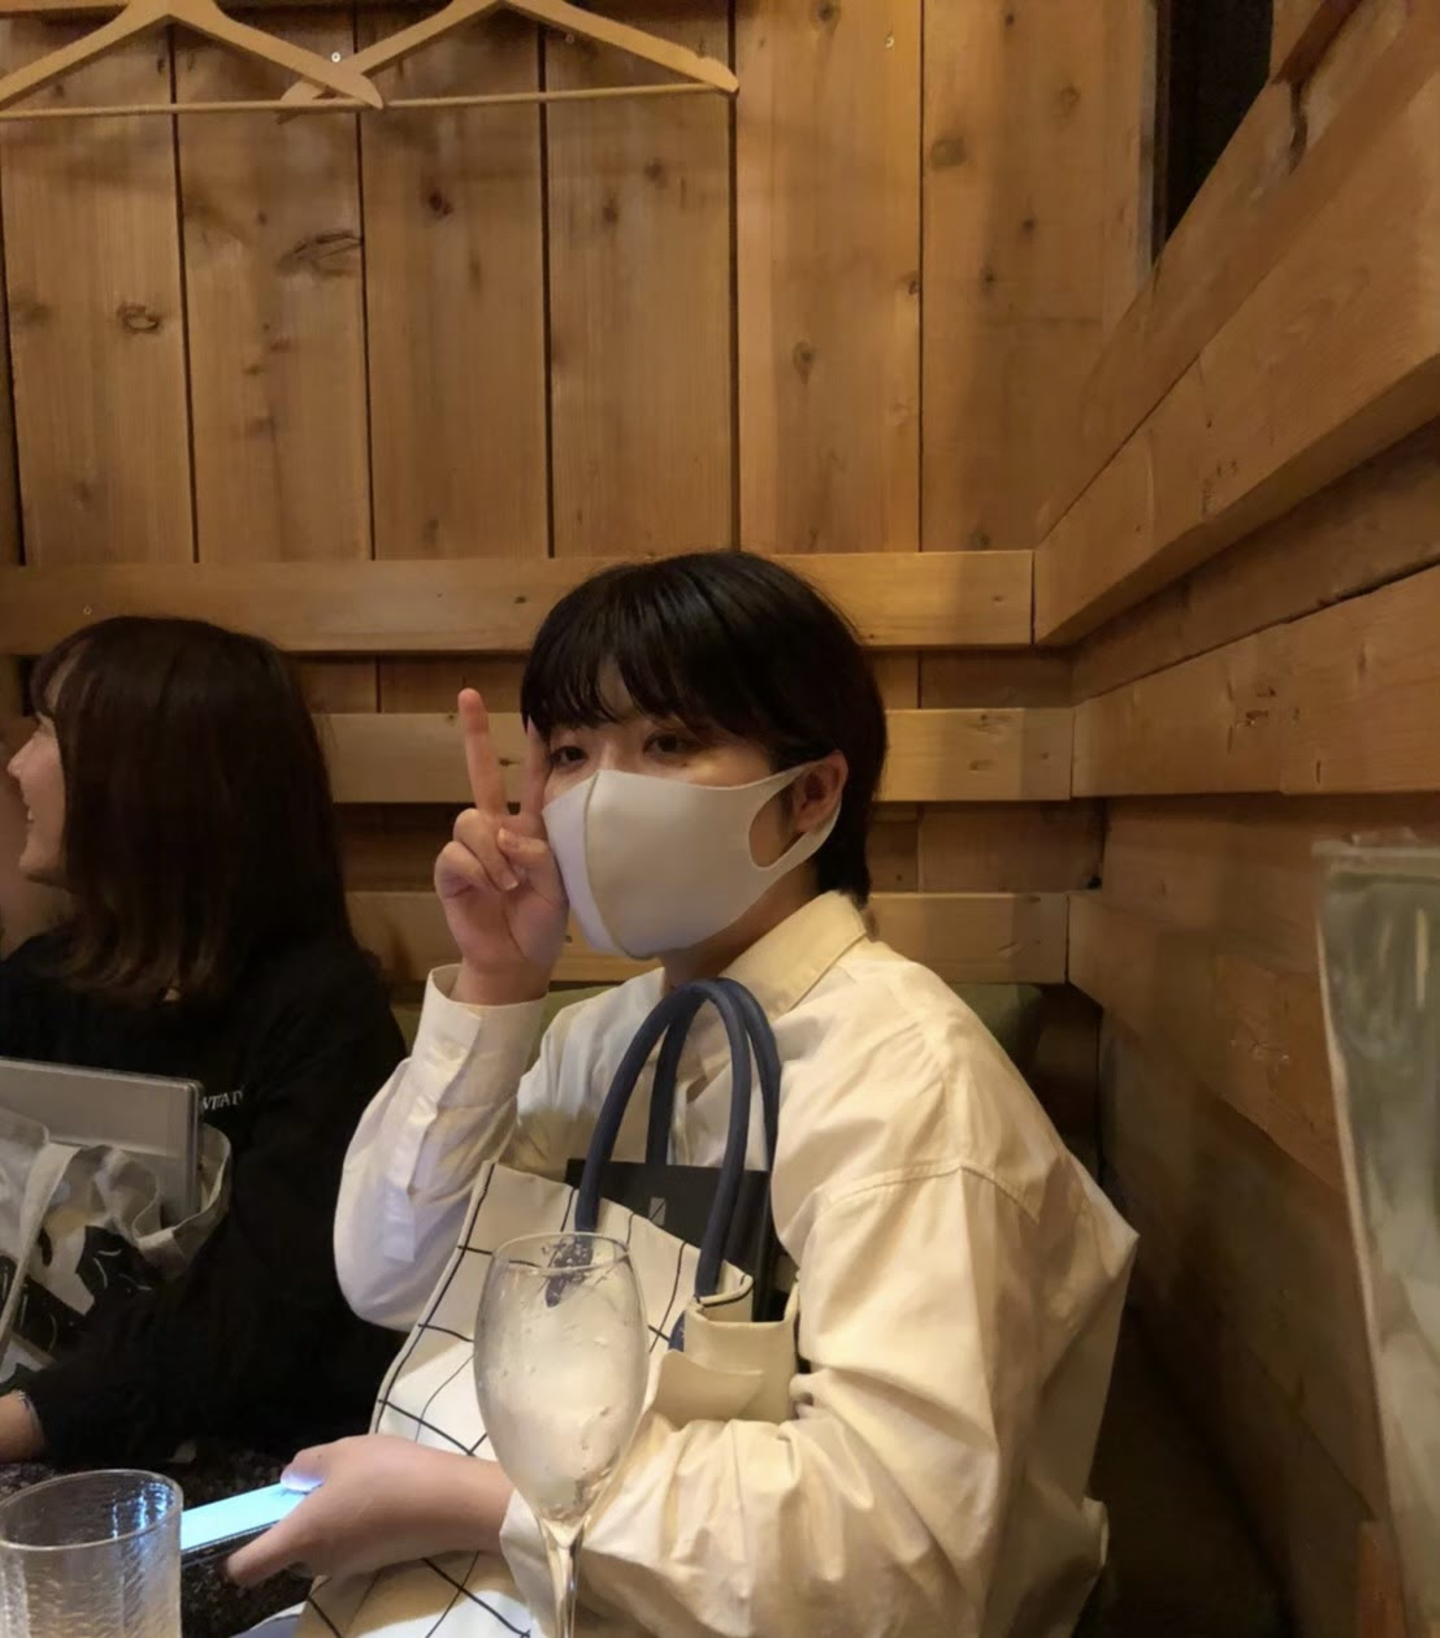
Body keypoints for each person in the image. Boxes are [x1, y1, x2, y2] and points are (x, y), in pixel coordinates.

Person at [230, 553, 1136, 1637]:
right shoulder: (595, 1042)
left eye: (668, 742)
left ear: (809, 795)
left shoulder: (909, 1084)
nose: (603, 796)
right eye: (573, 753)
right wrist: (495, 984)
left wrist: (487, 1504)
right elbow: (391, 1273)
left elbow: (902, 1560)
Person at [0, 617, 404, 1469]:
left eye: (47, 733)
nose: (18, 766)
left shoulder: (323, 1011)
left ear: (144, 782)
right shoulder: (37, 986)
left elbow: (256, 1317)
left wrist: (26, 1424)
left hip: (256, 1469)